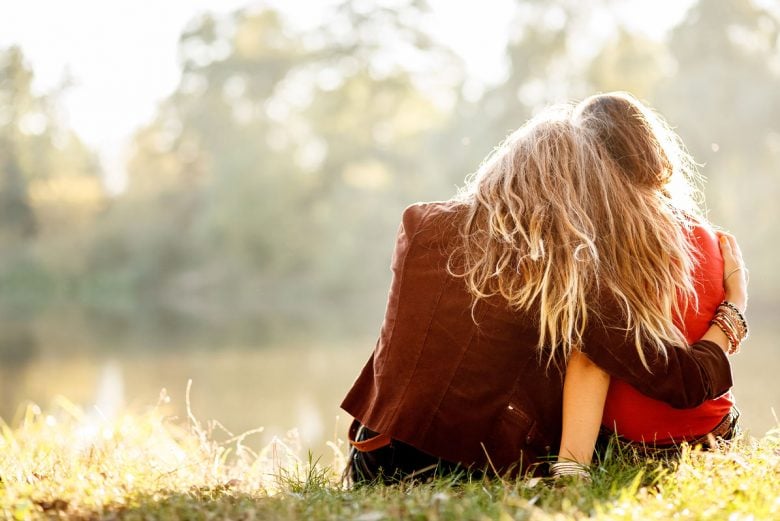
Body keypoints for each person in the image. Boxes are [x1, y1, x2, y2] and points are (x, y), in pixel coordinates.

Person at [340, 100, 748, 483]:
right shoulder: (566, 268)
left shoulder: (420, 224)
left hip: (373, 456)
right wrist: (734, 307)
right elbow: (684, 383)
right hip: (477, 467)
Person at [553, 93, 748, 477]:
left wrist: (571, 469)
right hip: (713, 434)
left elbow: (592, 361)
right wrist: (738, 300)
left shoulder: (598, 244)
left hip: (634, 448)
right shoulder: (708, 237)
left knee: (582, 341)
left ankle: (572, 466)